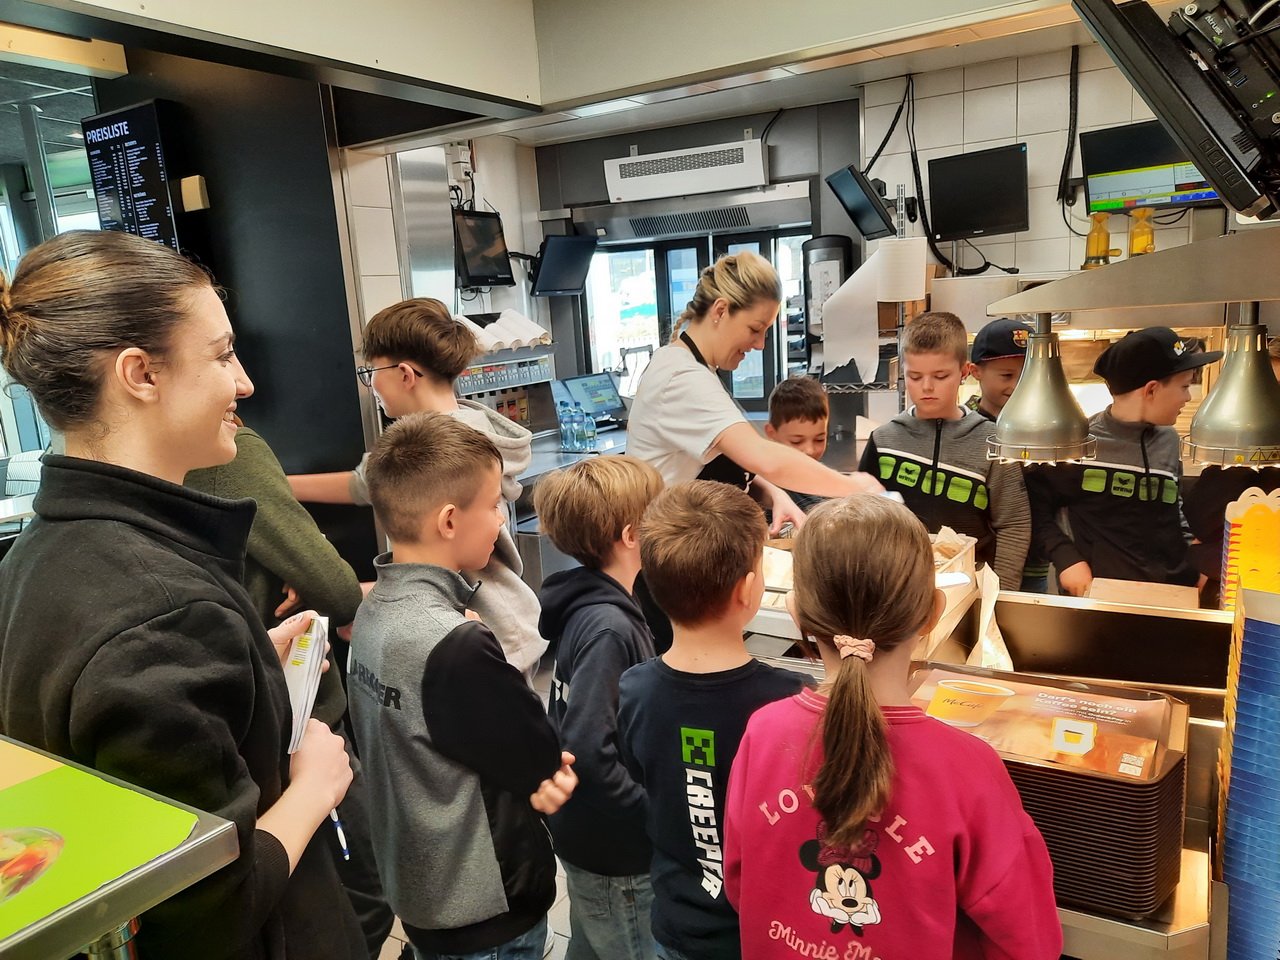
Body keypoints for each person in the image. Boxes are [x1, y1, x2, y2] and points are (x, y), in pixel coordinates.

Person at [0, 230, 362, 959]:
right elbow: (207, 911)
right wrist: (314, 790)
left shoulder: (37, 556)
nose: (244, 383)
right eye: (222, 355)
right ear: (140, 373)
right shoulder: (163, 611)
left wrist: (248, 666)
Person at [723, 495, 1062, 959]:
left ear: (796, 612)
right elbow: (1028, 940)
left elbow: (740, 883)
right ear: (933, 611)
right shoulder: (968, 768)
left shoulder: (763, 733)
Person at [347, 411, 577, 960]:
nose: (500, 520)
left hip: (420, 891)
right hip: (485, 913)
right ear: (449, 520)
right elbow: (539, 757)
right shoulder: (456, 645)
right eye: (494, 504)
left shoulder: (373, 613)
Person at [186, 423, 394, 960]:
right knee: (363, 894)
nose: (243, 385)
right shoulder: (228, 450)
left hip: (237, 726)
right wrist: (312, 569)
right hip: (299, 724)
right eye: (223, 361)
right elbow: (337, 590)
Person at [288, 298, 546, 682]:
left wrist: (361, 597)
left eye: (371, 371)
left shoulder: (444, 449)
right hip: (486, 628)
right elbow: (366, 483)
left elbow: (451, 569)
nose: (371, 385)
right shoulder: (463, 427)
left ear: (405, 373)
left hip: (483, 635)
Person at [618, 481, 810, 960]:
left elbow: (644, 778)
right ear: (747, 590)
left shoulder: (634, 690)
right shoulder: (790, 700)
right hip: (764, 932)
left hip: (676, 925)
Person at [627, 252, 881, 524]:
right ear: (720, 311)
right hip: (670, 538)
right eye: (755, 329)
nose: (760, 344)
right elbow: (766, 459)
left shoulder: (690, 366)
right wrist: (854, 488)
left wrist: (774, 493)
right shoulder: (681, 376)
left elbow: (728, 458)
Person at [535, 456, 665, 960]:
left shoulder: (593, 605)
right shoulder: (609, 627)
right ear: (632, 535)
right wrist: (653, 815)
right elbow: (588, 751)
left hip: (590, 837)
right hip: (617, 852)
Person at [1026, 327, 1221, 596]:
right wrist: (1066, 558)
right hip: (1100, 596)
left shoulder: (1169, 439)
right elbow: (1035, 510)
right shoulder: (1078, 445)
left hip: (1172, 594)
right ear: (1151, 390)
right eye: (1184, 386)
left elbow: (1173, 509)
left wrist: (1196, 565)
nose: (1188, 397)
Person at [858, 312, 1031, 590]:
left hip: (970, 586)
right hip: (897, 586)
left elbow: (1014, 524)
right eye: (915, 376)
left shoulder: (993, 441)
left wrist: (1000, 593)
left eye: (940, 376)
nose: (927, 387)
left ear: (964, 372)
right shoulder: (884, 439)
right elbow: (863, 517)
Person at [764, 376, 830, 514]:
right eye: (796, 441)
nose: (809, 450)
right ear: (771, 433)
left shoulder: (825, 478)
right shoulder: (765, 485)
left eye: (819, 439)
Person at [966, 317, 1034, 422]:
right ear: (976, 372)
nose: (1017, 386)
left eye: (1027, 375)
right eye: (1007, 375)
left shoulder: (1044, 422)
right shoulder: (958, 425)